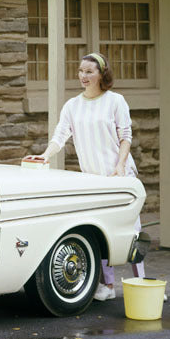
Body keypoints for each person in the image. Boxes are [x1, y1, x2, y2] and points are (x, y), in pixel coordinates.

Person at [24, 51, 153, 302]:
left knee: (131, 231)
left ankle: (140, 283)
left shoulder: (115, 101)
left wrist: (120, 166)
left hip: (119, 176)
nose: (83, 76)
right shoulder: (73, 106)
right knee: (102, 232)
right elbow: (60, 136)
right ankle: (108, 286)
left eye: (89, 71)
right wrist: (44, 156)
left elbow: (126, 135)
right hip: (94, 180)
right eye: (81, 71)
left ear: (101, 74)